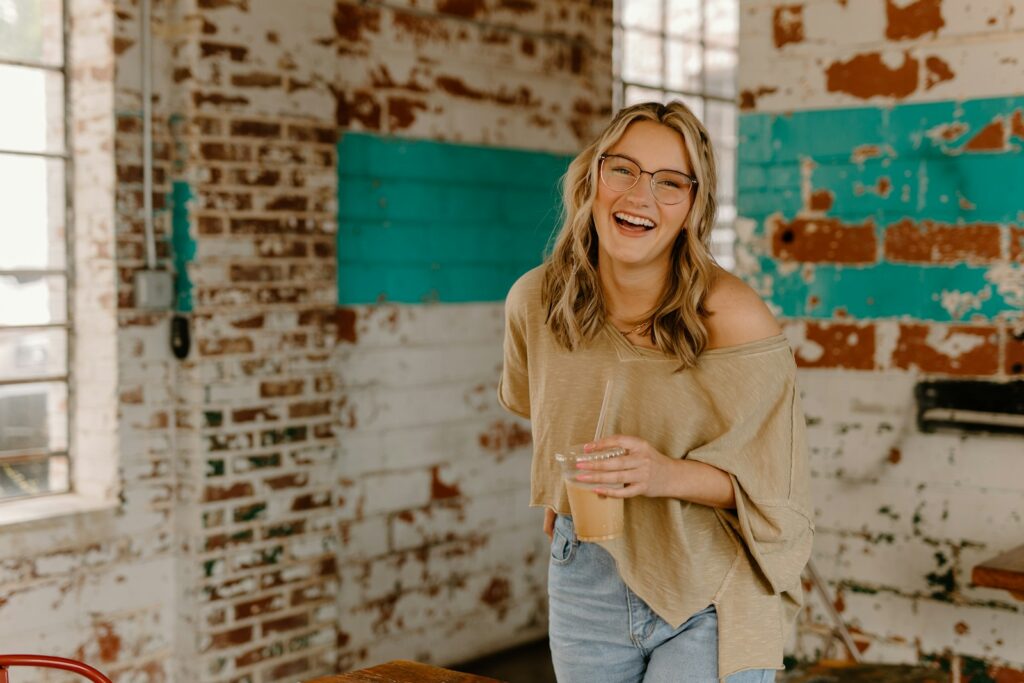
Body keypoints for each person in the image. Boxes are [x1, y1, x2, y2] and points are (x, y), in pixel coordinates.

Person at [497, 101, 814, 683]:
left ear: (693, 205)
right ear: (592, 177)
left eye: (670, 182)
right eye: (623, 169)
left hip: (708, 579)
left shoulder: (734, 316)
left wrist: (662, 473)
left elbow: (780, 489)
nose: (640, 197)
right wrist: (557, 490)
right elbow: (547, 405)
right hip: (585, 569)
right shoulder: (533, 302)